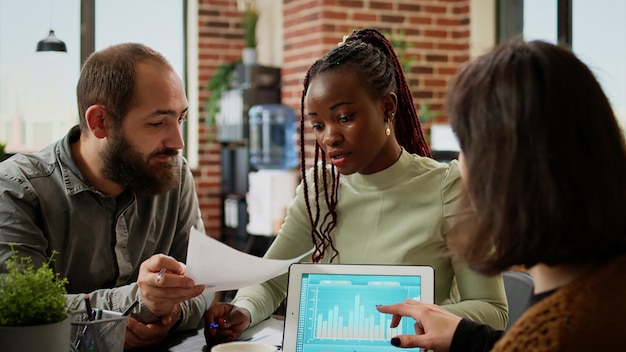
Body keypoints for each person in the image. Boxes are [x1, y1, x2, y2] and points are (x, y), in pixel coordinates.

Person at [203, 28, 508, 346]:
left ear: (387, 108)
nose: (329, 137)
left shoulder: (449, 188)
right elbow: (269, 281)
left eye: (345, 117)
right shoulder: (320, 189)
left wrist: (416, 319)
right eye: (318, 125)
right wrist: (243, 309)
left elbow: (492, 310)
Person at [376, 39, 626, 351]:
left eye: (465, 145)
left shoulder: (552, 337)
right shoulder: (606, 291)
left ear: (500, 173)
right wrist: (466, 337)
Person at [0, 43, 212, 349]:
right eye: (157, 123)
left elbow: (204, 284)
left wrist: (173, 313)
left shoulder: (173, 176)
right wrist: (128, 309)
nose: (177, 142)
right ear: (100, 122)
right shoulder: (17, 189)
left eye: (180, 119)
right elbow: (19, 311)